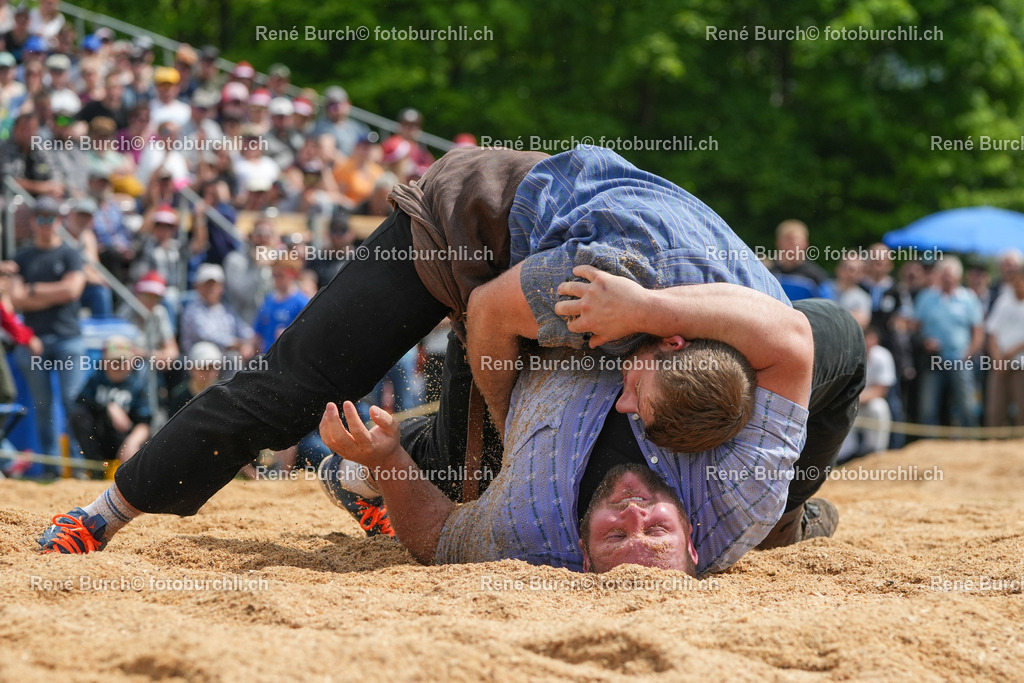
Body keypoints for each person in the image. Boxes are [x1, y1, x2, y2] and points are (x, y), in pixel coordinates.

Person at [37, 145, 855, 559]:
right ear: (667, 341)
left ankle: (373, 470)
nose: (627, 403)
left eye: (624, 543)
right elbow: (492, 316)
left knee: (483, 481)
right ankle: (108, 510)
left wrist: (781, 497)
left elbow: (809, 345)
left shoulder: (697, 479)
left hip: (636, 290)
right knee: (299, 387)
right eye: (636, 387)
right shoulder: (598, 296)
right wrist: (508, 437)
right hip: (478, 229)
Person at [9, 196, 86, 474]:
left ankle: (79, 469)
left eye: (50, 218)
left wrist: (33, 290)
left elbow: (73, 291)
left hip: (68, 339)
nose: (45, 223)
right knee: (43, 407)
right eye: (40, 218)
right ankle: (53, 470)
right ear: (32, 221)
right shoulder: (23, 256)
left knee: (72, 405)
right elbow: (15, 300)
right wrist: (55, 292)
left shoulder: (70, 253)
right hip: (34, 342)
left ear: (59, 220)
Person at [913, 256, 984, 428]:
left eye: (950, 275)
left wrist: (967, 355)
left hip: (961, 360)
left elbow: (978, 332)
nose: (947, 279)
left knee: (967, 406)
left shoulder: (969, 298)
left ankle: (971, 443)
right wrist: (924, 341)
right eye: (944, 274)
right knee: (928, 408)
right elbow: (915, 328)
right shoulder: (926, 297)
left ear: (958, 277)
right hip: (932, 361)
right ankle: (928, 446)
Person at [69, 337, 151, 476]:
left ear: (132, 362)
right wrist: (108, 406)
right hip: (99, 443)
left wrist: (131, 442)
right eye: (114, 361)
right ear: (104, 362)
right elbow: (80, 404)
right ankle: (96, 470)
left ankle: (130, 472)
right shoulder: (96, 379)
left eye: (122, 361)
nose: (118, 366)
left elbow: (145, 422)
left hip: (124, 443)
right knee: (79, 415)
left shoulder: (137, 384)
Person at [178, 263, 256, 366]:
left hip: (225, 355)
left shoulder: (226, 309)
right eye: (207, 284)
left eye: (214, 284)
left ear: (221, 287)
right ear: (198, 287)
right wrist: (239, 344)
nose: (211, 288)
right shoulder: (193, 310)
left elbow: (242, 329)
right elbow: (208, 336)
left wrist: (250, 342)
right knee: (232, 360)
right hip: (198, 358)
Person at [838, 326, 895, 462]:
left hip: (864, 404)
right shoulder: (846, 356)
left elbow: (881, 390)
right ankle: (844, 457)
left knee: (879, 407)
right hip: (848, 406)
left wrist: (856, 398)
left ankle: (877, 454)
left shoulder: (883, 356)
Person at [984, 264, 1024, 426]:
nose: (1017, 285)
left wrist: (1009, 353)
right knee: (995, 408)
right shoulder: (1003, 301)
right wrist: (997, 357)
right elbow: (992, 332)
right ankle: (995, 443)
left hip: (1021, 364)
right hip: (1000, 363)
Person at [769, 220, 830, 301]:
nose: (792, 244)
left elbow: (826, 306)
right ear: (778, 242)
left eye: (796, 239)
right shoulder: (769, 273)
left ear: (805, 243)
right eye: (787, 239)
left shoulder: (816, 277)